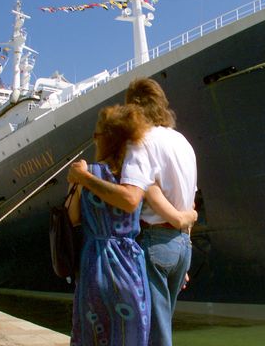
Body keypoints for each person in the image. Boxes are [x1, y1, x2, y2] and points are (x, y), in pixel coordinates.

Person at [68, 77, 197, 346]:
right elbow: (190, 198)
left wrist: (83, 177)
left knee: (152, 336)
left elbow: (136, 193)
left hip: (153, 243)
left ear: (135, 109)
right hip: (181, 246)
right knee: (162, 326)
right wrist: (183, 229)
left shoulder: (142, 140)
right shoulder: (183, 142)